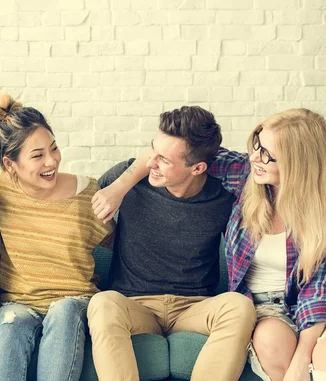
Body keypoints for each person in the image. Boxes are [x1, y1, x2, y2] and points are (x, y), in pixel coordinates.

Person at [88, 106, 256, 381]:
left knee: (239, 306)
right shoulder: (126, 181)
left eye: (164, 159)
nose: (151, 162)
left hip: (194, 307)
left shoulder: (224, 198)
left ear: (198, 167)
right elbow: (72, 202)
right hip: (135, 305)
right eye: (151, 150)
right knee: (103, 303)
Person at [0, 94, 114, 381]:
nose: (51, 161)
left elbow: (124, 244)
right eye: (37, 155)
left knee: (64, 310)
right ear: (10, 164)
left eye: (54, 148)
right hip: (17, 302)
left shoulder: (89, 193)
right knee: (11, 324)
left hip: (75, 299)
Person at [203, 109, 326, 381]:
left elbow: (318, 291)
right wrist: (122, 184)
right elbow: (188, 151)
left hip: (319, 306)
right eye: (257, 145)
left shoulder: (323, 211)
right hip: (263, 307)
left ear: (299, 164)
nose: (254, 157)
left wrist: (302, 358)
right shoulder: (247, 176)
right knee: (272, 344)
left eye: (267, 154)